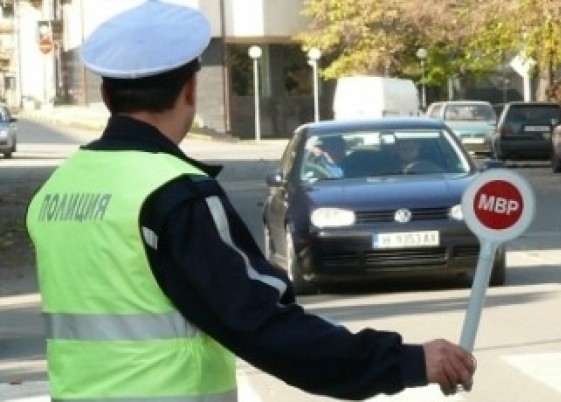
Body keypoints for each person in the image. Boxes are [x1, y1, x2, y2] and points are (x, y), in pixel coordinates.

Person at [26, 1, 476, 400]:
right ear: (189, 90)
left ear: (106, 95)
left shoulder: (58, 189)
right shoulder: (174, 192)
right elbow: (264, 325)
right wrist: (407, 362)